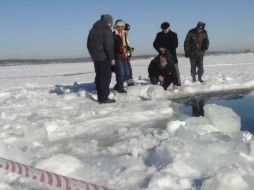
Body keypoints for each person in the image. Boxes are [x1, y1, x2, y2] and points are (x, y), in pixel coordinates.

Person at [87, 14, 116, 104]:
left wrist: (94, 56)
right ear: (109, 22)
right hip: (104, 58)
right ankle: (104, 98)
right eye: (111, 23)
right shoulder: (106, 30)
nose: (111, 26)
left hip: (96, 58)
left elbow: (88, 45)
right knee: (105, 78)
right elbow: (109, 46)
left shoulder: (93, 30)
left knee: (99, 77)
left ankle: (101, 97)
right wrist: (111, 58)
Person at [153, 22, 181, 88]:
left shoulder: (174, 34)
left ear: (169, 27)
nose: (164, 30)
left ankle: (177, 83)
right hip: (162, 56)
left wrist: (166, 49)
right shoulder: (159, 35)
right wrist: (159, 48)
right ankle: (163, 83)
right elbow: (155, 44)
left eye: (165, 29)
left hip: (172, 55)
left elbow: (175, 44)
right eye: (163, 29)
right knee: (163, 70)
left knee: (175, 70)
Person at [113, 19, 129, 93]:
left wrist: (128, 49)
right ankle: (120, 88)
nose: (120, 28)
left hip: (124, 55)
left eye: (122, 26)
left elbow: (125, 44)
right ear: (115, 27)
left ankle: (117, 86)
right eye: (118, 27)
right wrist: (119, 48)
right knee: (121, 73)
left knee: (126, 73)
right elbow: (112, 46)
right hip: (117, 55)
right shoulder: (113, 35)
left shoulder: (124, 34)